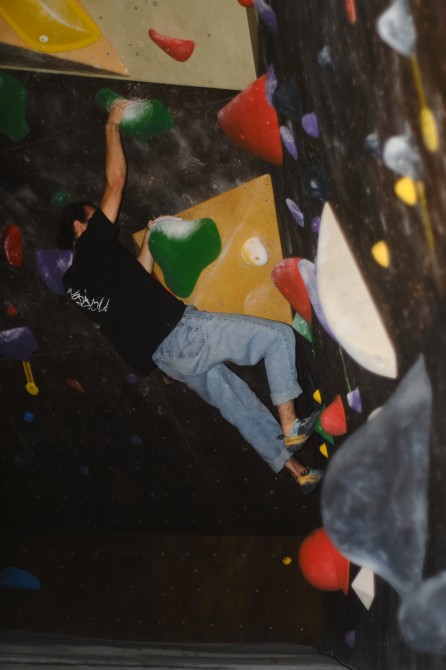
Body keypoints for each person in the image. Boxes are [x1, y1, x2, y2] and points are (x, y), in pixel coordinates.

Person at [58, 100, 324, 494]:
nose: (102, 217)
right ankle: (290, 424)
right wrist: (111, 125)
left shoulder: (75, 283)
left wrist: (151, 238)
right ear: (81, 227)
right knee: (276, 337)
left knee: (238, 405)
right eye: (94, 215)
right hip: (181, 333)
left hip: (168, 360)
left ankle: (298, 471)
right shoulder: (93, 245)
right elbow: (115, 181)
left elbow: (136, 282)